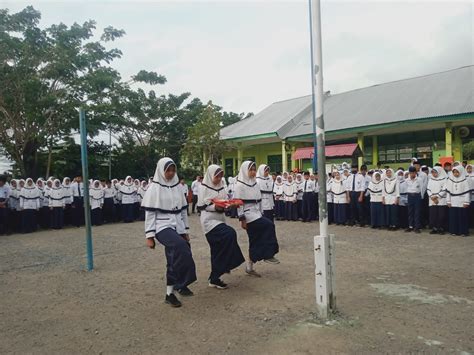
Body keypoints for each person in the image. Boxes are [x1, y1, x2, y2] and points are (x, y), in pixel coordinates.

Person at [143, 157, 197, 308]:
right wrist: (150, 236)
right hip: (162, 226)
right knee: (179, 247)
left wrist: (185, 230)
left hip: (177, 225)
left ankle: (174, 289)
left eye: (173, 170)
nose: (171, 173)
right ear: (161, 170)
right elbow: (150, 213)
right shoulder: (154, 188)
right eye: (168, 170)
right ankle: (176, 287)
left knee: (180, 253)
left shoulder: (178, 187)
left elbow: (183, 212)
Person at [197, 164, 245, 289]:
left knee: (217, 250)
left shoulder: (221, 187)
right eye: (216, 176)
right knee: (230, 233)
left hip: (220, 219)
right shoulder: (203, 188)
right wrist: (215, 207)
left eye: (220, 176)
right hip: (209, 221)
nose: (218, 179)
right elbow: (202, 206)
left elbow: (225, 202)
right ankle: (228, 263)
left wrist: (231, 205)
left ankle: (214, 279)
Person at [234, 161, 280, 277]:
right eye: (251, 170)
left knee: (254, 240)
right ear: (245, 170)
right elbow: (239, 203)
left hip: (257, 213)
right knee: (268, 225)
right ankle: (268, 254)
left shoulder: (255, 183)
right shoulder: (239, 185)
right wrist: (242, 219)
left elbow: (259, 201)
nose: (253, 172)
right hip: (248, 215)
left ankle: (249, 267)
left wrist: (261, 213)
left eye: (254, 170)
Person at [445, 166, 470, 237]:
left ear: (461, 172)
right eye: (454, 172)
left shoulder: (465, 181)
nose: (455, 174)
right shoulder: (450, 180)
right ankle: (454, 231)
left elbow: (467, 192)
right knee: (453, 217)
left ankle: (463, 232)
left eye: (457, 172)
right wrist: (448, 201)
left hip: (462, 202)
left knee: (462, 217)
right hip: (453, 202)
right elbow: (448, 192)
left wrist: (466, 202)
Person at [427, 166, 447, 235]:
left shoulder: (444, 179)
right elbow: (428, 189)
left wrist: (437, 196)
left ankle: (441, 228)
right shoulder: (431, 179)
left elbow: (444, 190)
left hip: (441, 200)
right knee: (433, 215)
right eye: (432, 172)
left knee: (441, 215)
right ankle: (434, 228)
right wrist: (432, 197)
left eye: (435, 172)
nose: (433, 174)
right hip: (432, 200)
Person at [405, 166, 422, 233]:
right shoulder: (406, 180)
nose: (412, 174)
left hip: (417, 196)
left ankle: (417, 227)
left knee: (417, 212)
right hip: (410, 196)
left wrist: (421, 197)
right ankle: (410, 226)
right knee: (410, 212)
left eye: (413, 173)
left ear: (416, 172)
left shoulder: (419, 179)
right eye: (411, 173)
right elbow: (406, 188)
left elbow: (422, 188)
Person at [466, 164, 474, 228]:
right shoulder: (464, 176)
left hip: (473, 196)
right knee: (468, 211)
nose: (469, 170)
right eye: (468, 168)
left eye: (470, 168)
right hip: (467, 196)